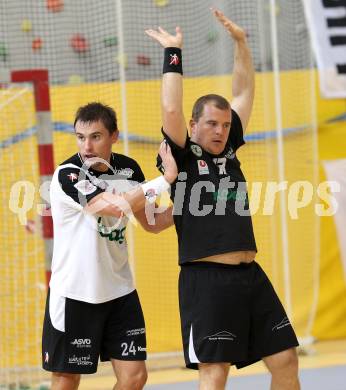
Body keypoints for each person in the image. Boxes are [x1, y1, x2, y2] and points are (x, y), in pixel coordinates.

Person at [145, 8, 300, 390]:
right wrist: (173, 52)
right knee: (215, 372)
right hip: (207, 280)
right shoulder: (182, 153)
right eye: (212, 123)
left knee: (285, 359)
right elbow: (170, 107)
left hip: (250, 275)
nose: (220, 130)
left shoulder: (229, 148)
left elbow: (244, 90)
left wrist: (241, 42)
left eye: (225, 124)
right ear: (194, 125)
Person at [42, 102, 177, 390]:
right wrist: (166, 180)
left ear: (114, 136)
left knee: (134, 378)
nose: (87, 145)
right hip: (75, 294)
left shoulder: (128, 169)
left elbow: (152, 222)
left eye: (96, 136)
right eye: (81, 137)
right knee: (66, 381)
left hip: (119, 291)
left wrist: (189, 202)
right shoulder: (69, 174)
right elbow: (114, 208)